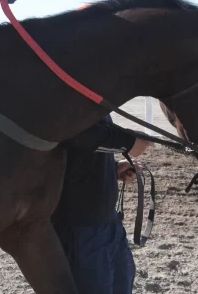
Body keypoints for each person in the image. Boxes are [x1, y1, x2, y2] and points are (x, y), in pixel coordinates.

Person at [52, 116, 152, 294]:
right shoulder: (66, 98)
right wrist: (128, 143)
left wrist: (112, 169)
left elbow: (81, 152)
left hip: (109, 224)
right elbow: (76, 133)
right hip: (80, 229)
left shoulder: (95, 100)